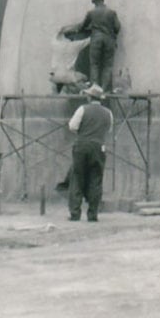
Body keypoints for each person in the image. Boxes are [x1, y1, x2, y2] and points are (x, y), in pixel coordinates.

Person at [67, 87, 114, 222]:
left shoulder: (83, 109)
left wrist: (84, 133)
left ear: (89, 97)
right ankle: (93, 214)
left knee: (77, 178)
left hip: (82, 146)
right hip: (99, 147)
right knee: (96, 179)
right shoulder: (108, 113)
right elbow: (109, 129)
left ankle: (75, 213)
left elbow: (72, 126)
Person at [78, 0, 121, 91]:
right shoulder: (112, 12)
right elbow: (117, 27)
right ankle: (104, 89)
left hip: (96, 40)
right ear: (102, 0)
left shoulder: (91, 13)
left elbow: (82, 26)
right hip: (109, 40)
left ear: (95, 2)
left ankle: (95, 90)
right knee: (108, 65)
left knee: (94, 65)